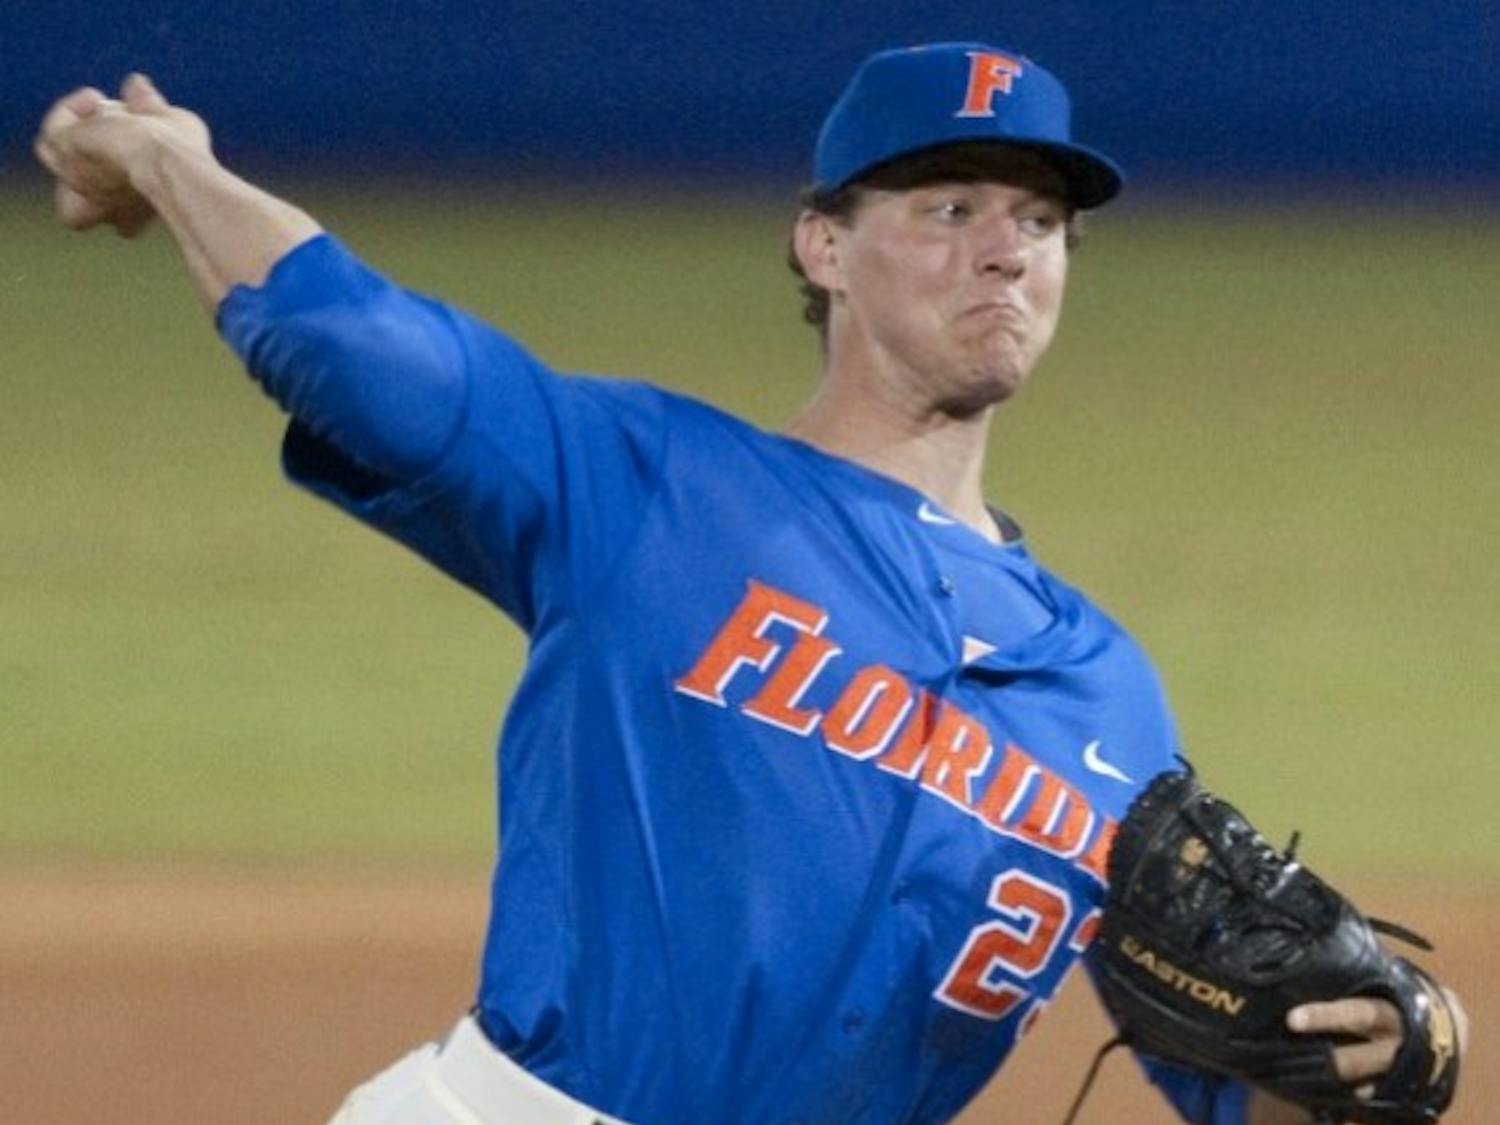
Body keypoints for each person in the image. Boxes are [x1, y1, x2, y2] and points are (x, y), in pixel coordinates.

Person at [36, 41, 1463, 1125]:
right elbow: (362, 350)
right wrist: (167, 165)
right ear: (822, 244)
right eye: (950, 203)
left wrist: (1376, 1052)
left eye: (1039, 220)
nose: (1005, 248)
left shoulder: (1108, 691)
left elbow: (1226, 1060)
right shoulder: (650, 482)